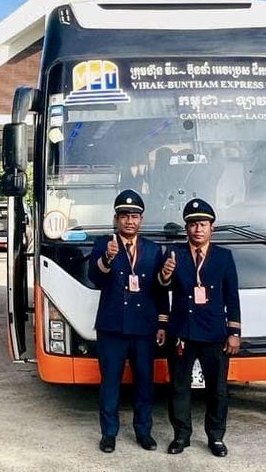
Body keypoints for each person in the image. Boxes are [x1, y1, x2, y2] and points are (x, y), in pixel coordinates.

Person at [87, 189, 171, 454]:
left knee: (144, 383)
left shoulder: (153, 249)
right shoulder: (104, 244)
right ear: (116, 219)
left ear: (141, 220)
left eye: (134, 216)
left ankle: (143, 431)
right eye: (124, 216)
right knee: (110, 383)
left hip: (144, 329)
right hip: (112, 327)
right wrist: (107, 259)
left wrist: (162, 323)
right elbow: (95, 279)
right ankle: (109, 434)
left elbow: (160, 290)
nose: (129, 221)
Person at [161, 198, 241, 458]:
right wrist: (165, 274)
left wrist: (234, 333)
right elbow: (161, 289)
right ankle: (181, 436)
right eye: (193, 224)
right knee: (179, 387)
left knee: (217, 388)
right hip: (182, 333)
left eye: (203, 224)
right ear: (186, 228)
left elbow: (232, 296)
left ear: (212, 228)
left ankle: (216, 437)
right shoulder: (174, 254)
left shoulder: (224, 257)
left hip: (215, 334)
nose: (198, 229)